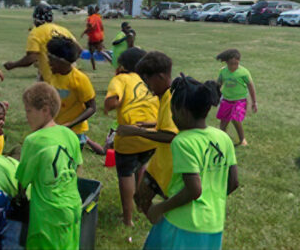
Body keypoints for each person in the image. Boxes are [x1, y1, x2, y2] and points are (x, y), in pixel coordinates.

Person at [143, 75, 240, 249]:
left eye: (172, 111)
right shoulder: (223, 137)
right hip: (213, 224)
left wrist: (159, 208)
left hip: (182, 224)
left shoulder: (183, 141)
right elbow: (233, 182)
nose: (171, 116)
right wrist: (211, 201)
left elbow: (194, 190)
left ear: (182, 111)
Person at [15, 82, 83, 249]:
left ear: (45, 110)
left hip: (48, 215)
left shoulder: (34, 140)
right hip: (73, 206)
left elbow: (22, 183)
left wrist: (20, 198)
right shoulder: (69, 134)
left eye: (29, 111)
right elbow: (78, 169)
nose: (26, 116)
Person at [103, 47, 160, 226]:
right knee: (141, 166)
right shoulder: (148, 80)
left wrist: (114, 104)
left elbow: (112, 102)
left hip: (130, 137)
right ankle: (141, 206)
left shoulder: (121, 79)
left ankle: (128, 220)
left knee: (126, 174)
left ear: (122, 65)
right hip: (153, 137)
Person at [119, 51, 180, 217]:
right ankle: (160, 227)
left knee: (165, 203)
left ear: (160, 77)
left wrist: (136, 131)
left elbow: (171, 135)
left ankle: (164, 229)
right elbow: (170, 124)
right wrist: (152, 124)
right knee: (140, 198)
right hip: (159, 163)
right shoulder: (166, 95)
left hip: (171, 166)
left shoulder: (170, 97)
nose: (147, 86)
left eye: (147, 81)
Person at [46, 36, 106, 155]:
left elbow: (92, 107)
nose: (48, 63)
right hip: (56, 128)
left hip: (74, 132)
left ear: (62, 61)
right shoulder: (53, 75)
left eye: (51, 59)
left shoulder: (79, 80)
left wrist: (70, 124)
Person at [3, 4, 78, 81]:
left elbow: (31, 58)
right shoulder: (63, 30)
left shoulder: (36, 33)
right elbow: (79, 50)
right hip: (72, 77)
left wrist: (13, 65)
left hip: (52, 81)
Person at [214, 49, 259, 146]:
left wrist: (254, 102)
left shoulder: (244, 72)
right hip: (226, 100)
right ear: (226, 62)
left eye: (236, 63)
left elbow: (251, 86)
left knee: (236, 119)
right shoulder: (223, 72)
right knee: (223, 122)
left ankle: (242, 139)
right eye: (231, 64)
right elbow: (218, 84)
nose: (233, 66)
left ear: (239, 61)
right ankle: (222, 140)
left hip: (240, 101)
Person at [80, 6, 108, 70]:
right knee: (101, 51)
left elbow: (91, 26)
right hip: (100, 36)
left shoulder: (91, 18)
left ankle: (94, 68)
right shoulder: (98, 17)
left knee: (91, 53)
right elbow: (102, 27)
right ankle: (110, 60)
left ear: (89, 11)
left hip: (93, 38)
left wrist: (84, 32)